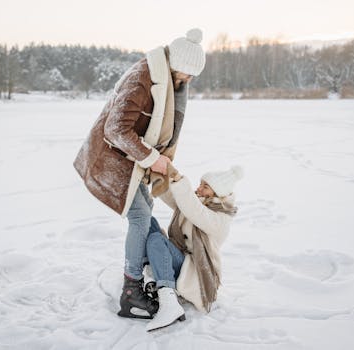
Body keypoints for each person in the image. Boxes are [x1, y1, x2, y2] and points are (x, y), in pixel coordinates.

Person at [73, 28, 206, 319]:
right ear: (176, 64)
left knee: (146, 209)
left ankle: (152, 275)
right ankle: (131, 291)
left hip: (129, 162)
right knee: (140, 216)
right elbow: (115, 129)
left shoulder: (167, 80)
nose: (189, 81)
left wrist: (158, 162)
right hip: (110, 159)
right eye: (187, 74)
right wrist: (152, 158)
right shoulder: (142, 79)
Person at [144, 165, 243, 331]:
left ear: (218, 194)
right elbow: (174, 197)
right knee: (147, 222)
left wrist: (179, 179)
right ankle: (148, 275)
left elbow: (193, 210)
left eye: (205, 187)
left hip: (193, 271)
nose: (199, 188)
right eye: (200, 184)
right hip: (179, 258)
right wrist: (158, 176)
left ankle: (169, 301)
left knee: (156, 240)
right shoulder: (197, 203)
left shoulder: (220, 219)